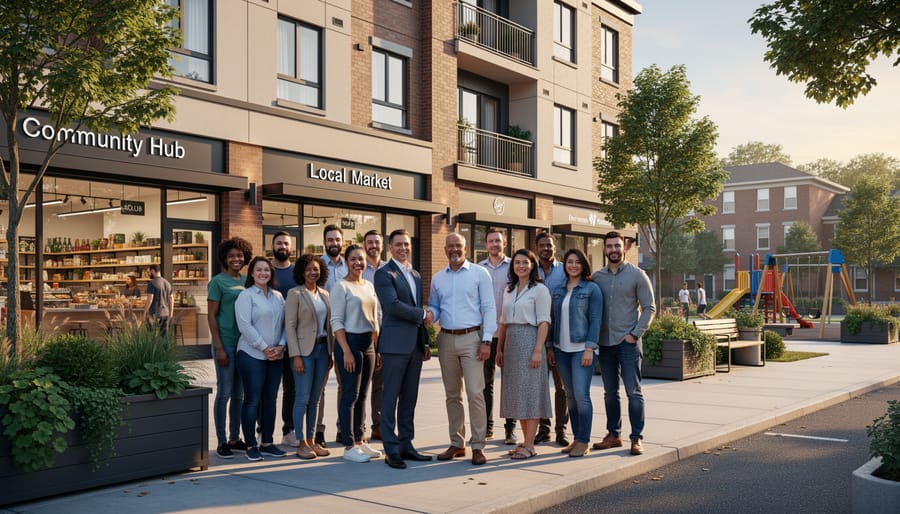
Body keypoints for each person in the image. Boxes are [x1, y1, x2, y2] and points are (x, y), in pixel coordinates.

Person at [428, 233, 496, 466]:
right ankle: (457, 443)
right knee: (452, 394)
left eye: (458, 245)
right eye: (450, 246)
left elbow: (489, 307)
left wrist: (486, 340)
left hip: (472, 339)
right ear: (445, 249)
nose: (454, 249)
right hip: (446, 339)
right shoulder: (438, 278)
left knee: (475, 393)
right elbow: (436, 306)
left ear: (465, 248)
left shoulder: (479, 274)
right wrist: (430, 315)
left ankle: (478, 445)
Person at [373, 229, 434, 469]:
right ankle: (391, 448)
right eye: (398, 244)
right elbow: (393, 305)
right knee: (389, 398)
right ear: (390, 247)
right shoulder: (383, 273)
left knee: (409, 399)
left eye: (406, 244)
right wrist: (422, 314)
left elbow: (417, 308)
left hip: (414, 347)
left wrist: (425, 342)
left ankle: (406, 444)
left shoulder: (416, 275)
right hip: (394, 346)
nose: (403, 248)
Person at [591, 231, 656, 456]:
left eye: (617, 246)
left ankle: (636, 438)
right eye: (609, 246)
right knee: (610, 392)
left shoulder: (638, 275)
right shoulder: (597, 276)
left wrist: (635, 334)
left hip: (628, 343)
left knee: (633, 392)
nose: (613, 250)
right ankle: (613, 435)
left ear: (624, 248)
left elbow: (650, 308)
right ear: (604, 249)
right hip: (605, 344)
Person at [497, 248, 551, 460]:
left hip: (530, 341)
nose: (520, 266)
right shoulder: (509, 289)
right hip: (511, 343)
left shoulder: (539, 290)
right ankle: (525, 441)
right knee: (517, 394)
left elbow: (544, 321)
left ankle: (530, 445)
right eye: (517, 262)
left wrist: (538, 350)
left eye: (525, 262)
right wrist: (499, 349)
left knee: (530, 393)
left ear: (532, 266)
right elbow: (502, 321)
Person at [548, 249, 603, 458]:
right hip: (562, 350)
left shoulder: (592, 289)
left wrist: (590, 347)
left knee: (581, 395)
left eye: (577, 262)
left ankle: (584, 440)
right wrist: (550, 347)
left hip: (582, 350)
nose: (573, 265)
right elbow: (553, 319)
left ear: (583, 265)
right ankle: (577, 437)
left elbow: (596, 320)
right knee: (570, 396)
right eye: (569, 262)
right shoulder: (558, 290)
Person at [331, 244, 382, 463]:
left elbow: (375, 318)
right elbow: (336, 322)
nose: (358, 263)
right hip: (349, 342)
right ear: (346, 261)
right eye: (353, 259)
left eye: (361, 259)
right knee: (349, 395)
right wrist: (345, 352)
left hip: (368, 343)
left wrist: (377, 349)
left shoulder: (369, 285)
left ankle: (360, 440)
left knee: (363, 394)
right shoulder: (341, 287)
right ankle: (349, 445)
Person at [235, 256, 288, 461]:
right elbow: (244, 326)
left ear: (271, 273)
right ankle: (250, 445)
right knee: (252, 400)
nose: (263, 273)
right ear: (252, 273)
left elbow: (285, 323)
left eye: (267, 270)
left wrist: (281, 346)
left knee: (270, 400)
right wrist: (265, 348)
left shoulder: (278, 297)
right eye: (259, 270)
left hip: (276, 355)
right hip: (252, 354)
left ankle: (267, 443)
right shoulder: (246, 296)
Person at [208, 237, 253, 459]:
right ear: (225, 258)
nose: (236, 259)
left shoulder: (247, 280)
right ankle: (222, 440)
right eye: (231, 256)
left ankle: (235, 438)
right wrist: (219, 347)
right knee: (224, 392)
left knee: (239, 395)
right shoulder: (217, 282)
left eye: (239, 255)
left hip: (243, 344)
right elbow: (211, 316)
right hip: (225, 342)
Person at [285, 254, 333, 460]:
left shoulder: (325, 294)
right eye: (308, 269)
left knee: (315, 399)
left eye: (316, 269)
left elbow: (329, 326)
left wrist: (331, 353)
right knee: (302, 398)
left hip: (323, 351)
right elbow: (290, 325)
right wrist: (295, 355)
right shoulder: (295, 293)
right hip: (304, 353)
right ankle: (301, 442)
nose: (313, 272)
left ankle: (312, 441)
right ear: (301, 273)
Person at [477, 228, 518, 445]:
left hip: (510, 333)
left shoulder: (514, 267)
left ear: (505, 243)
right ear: (485, 244)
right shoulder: (477, 269)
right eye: (491, 241)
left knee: (509, 383)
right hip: (486, 335)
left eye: (498, 241)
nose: (494, 244)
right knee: (486, 383)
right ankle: (487, 427)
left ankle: (510, 429)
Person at [534, 232, 569, 446]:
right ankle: (544, 428)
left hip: (559, 336)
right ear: (536, 248)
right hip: (536, 336)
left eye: (549, 245)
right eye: (542, 245)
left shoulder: (564, 269)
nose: (546, 248)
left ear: (554, 247)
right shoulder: (530, 269)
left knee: (561, 386)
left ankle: (561, 430)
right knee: (539, 386)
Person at [317, 224, 346, 447]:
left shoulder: (352, 264)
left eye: (337, 239)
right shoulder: (316, 265)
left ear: (342, 241)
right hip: (323, 332)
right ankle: (317, 430)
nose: (334, 243)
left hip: (346, 332)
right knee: (320, 385)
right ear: (324, 242)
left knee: (346, 383)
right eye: (330, 240)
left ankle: (343, 427)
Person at [271, 231, 299, 448]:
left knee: (291, 388)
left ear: (292, 248)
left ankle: (288, 430)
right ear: (272, 245)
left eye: (286, 244)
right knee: (267, 389)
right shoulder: (265, 270)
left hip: (292, 341)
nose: (283, 246)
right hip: (268, 341)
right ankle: (263, 432)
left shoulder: (296, 272)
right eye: (279, 243)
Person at [361, 230, 387, 440]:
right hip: (363, 333)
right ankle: (354, 427)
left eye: (376, 242)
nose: (373, 246)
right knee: (358, 383)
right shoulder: (358, 269)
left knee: (381, 383)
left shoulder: (390, 269)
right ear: (364, 245)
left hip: (386, 333)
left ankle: (378, 426)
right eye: (369, 242)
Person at [142, 264, 173, 334]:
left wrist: (144, 313)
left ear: (153, 271)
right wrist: (171, 313)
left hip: (154, 313)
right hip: (165, 313)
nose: (150, 273)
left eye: (150, 272)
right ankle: (164, 345)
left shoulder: (152, 283)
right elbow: (171, 299)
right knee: (163, 336)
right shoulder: (167, 283)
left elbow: (150, 299)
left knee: (151, 336)